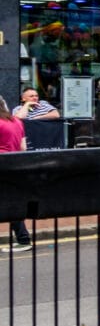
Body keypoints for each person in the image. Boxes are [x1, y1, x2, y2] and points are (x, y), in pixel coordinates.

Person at [0, 104, 32, 250]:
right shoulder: (16, 121)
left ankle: (24, 239)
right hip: (13, 164)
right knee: (9, 203)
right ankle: (23, 239)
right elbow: (23, 148)